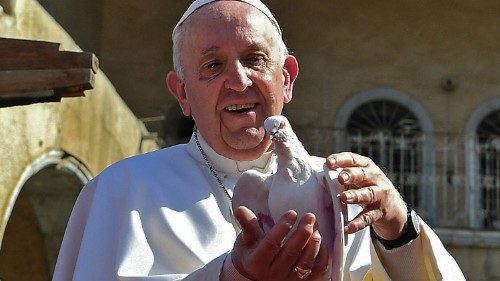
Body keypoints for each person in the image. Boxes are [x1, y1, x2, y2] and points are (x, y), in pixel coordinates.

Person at [53, 1, 465, 280]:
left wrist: (397, 226)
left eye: (254, 59)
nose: (238, 80)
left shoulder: (343, 190)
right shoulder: (123, 191)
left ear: (285, 79)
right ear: (182, 93)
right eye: (213, 66)